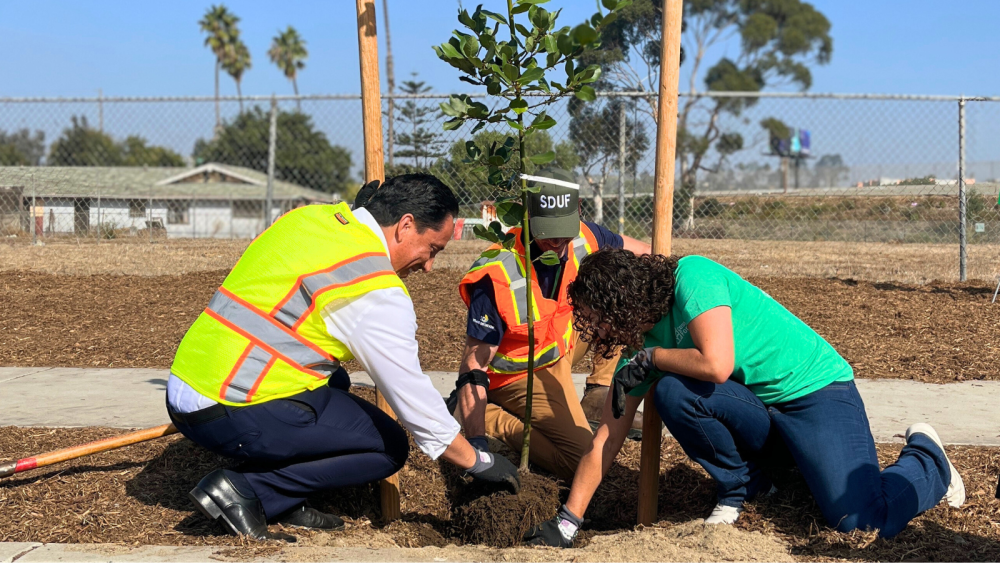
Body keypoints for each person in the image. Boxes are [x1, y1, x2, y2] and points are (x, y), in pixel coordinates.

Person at [524, 249, 965, 546]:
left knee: (861, 522)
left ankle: (929, 460)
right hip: (763, 411)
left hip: (813, 390)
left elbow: (717, 364)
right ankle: (746, 485)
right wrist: (567, 522)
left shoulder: (692, 277)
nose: (595, 332)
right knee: (675, 391)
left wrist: (655, 356)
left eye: (598, 319)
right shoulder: (637, 352)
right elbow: (606, 440)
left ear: (621, 303)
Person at [166, 174, 519, 542]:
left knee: (337, 381)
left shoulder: (309, 218)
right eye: (433, 249)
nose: (429, 266)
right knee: (387, 446)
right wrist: (479, 461)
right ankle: (249, 490)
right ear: (406, 225)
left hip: (191, 380)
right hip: (227, 405)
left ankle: (286, 494)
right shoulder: (374, 288)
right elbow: (414, 403)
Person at [452, 169, 650, 480]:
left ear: (578, 212)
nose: (558, 242)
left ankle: (598, 393)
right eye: (548, 232)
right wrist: (477, 445)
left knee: (617, 295)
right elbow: (474, 364)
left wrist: (680, 275)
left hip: (562, 345)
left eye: (564, 231)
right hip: (515, 375)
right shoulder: (497, 274)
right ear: (527, 218)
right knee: (583, 462)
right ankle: (490, 418)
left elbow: (640, 253)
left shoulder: (584, 236)